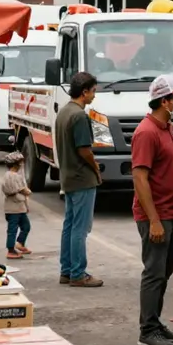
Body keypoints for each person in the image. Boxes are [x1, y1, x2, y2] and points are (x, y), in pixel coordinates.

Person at [132, 74, 173, 345]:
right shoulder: (146, 132)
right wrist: (154, 220)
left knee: (164, 272)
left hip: (170, 212)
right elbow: (140, 179)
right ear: (165, 101)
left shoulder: (165, 126)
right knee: (154, 272)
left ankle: (155, 323)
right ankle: (147, 331)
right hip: (155, 216)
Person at [56, 71, 103, 288]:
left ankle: (67, 270)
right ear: (84, 92)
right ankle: (78, 273)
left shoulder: (64, 112)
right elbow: (85, 150)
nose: (94, 95)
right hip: (82, 177)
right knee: (80, 228)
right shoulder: (79, 116)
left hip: (67, 175)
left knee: (70, 225)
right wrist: (96, 169)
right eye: (93, 91)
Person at [2, 150, 32, 260]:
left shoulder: (15, 175)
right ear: (16, 164)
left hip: (20, 208)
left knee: (26, 226)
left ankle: (20, 243)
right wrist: (26, 191)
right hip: (13, 209)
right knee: (12, 230)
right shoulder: (11, 176)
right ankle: (10, 249)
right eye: (20, 162)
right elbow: (14, 189)